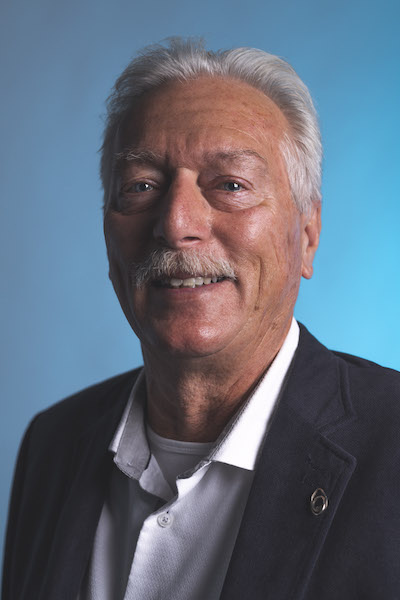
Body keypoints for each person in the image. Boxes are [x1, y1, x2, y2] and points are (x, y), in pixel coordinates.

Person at [3, 38, 400, 600]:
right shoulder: (53, 444)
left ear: (308, 234)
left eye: (231, 185)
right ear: (107, 234)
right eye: (141, 186)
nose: (176, 223)